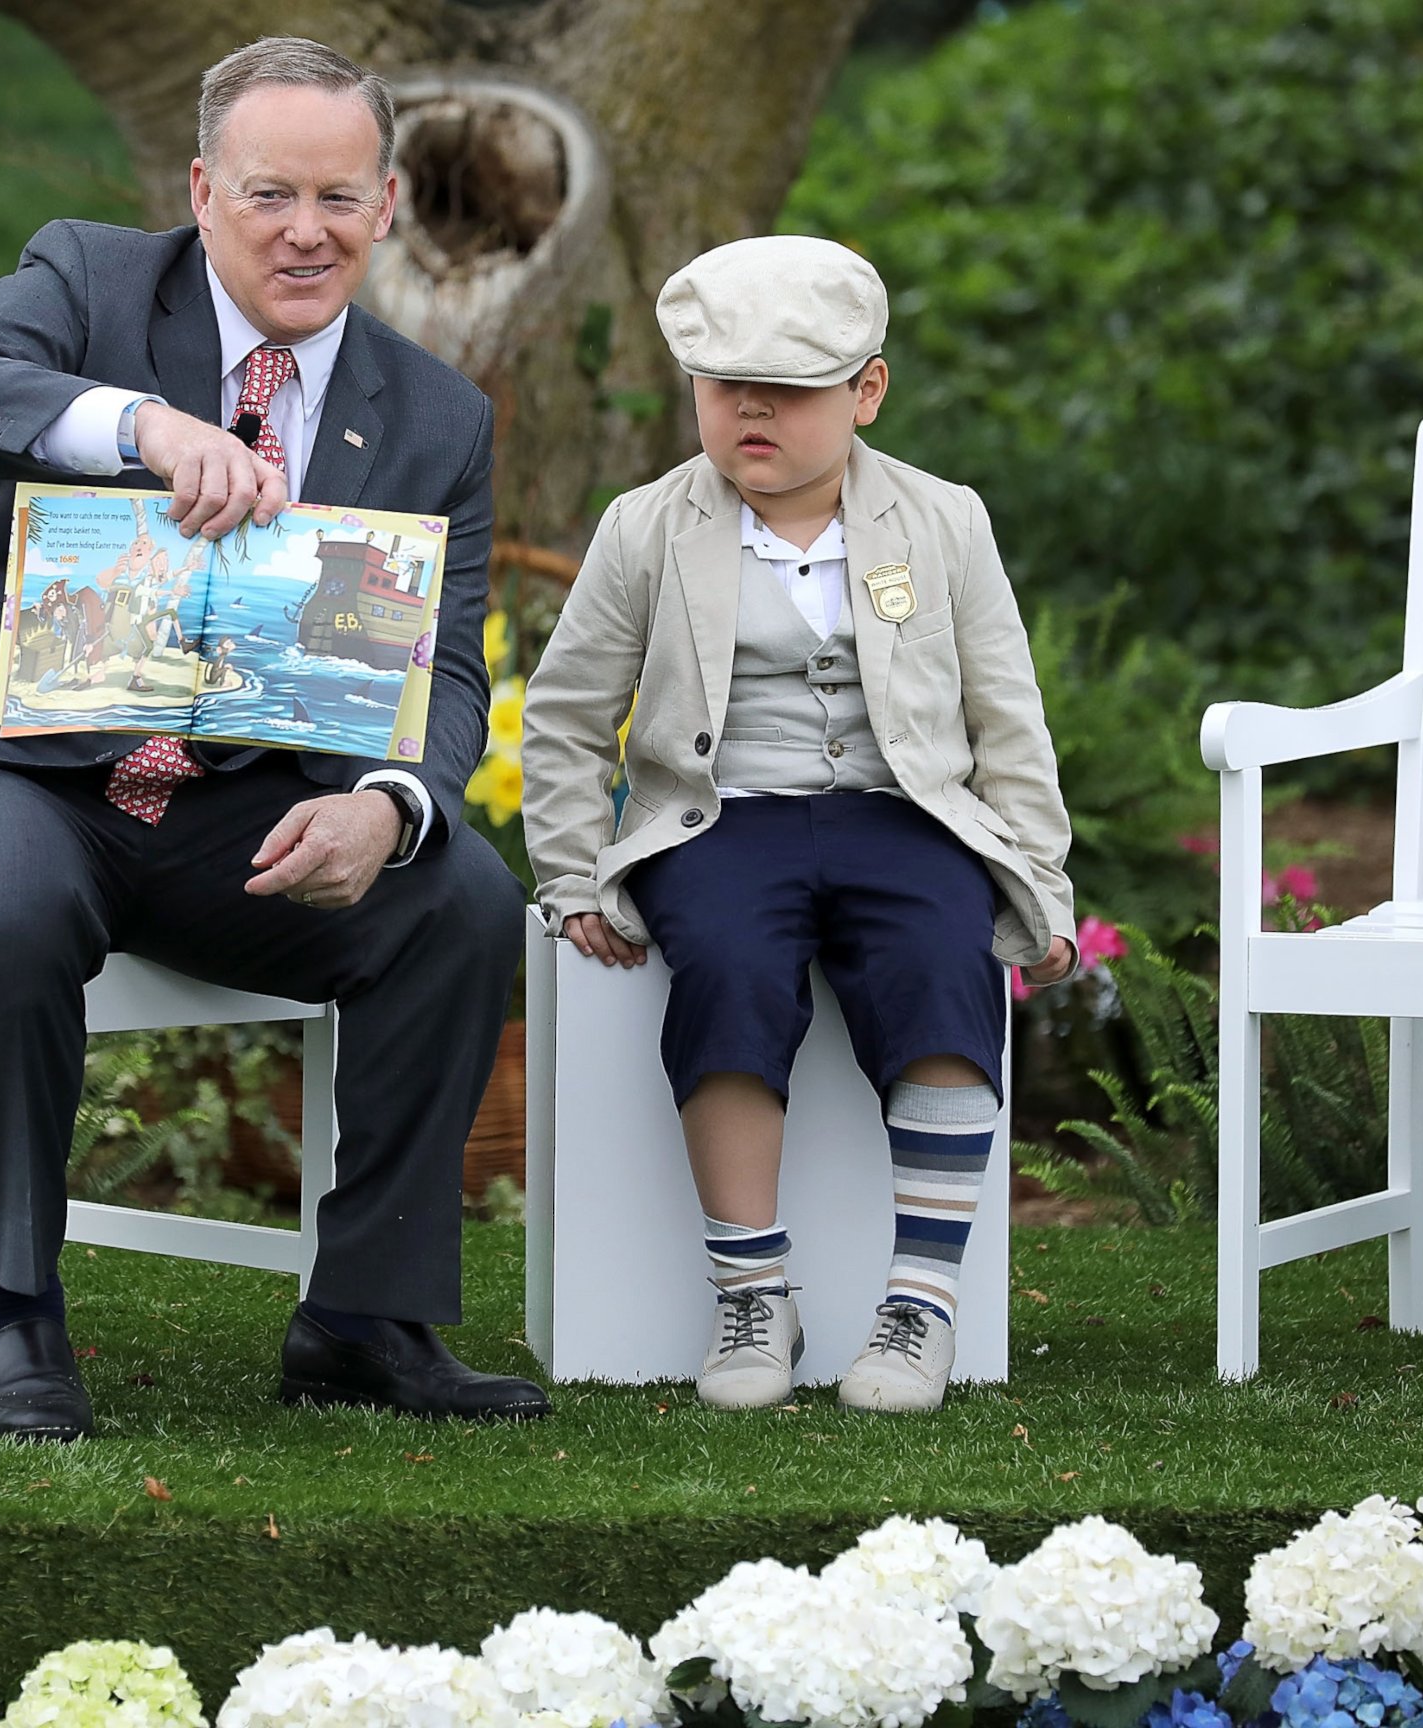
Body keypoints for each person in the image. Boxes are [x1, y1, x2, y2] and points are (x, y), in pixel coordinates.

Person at [0, 37, 546, 1441]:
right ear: (201, 190)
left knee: (462, 896)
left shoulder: (434, 416)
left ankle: (366, 1321)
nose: (305, 231)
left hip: (220, 810)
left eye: (339, 197)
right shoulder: (88, 282)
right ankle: (18, 1318)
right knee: (11, 904)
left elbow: (441, 663)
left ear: (385, 205)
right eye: (268, 194)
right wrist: (135, 425)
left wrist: (388, 804)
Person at [518, 236, 1080, 1415]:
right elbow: (569, 718)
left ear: (867, 390)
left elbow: (1006, 712)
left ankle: (921, 1302)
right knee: (724, 962)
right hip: (719, 816)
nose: (753, 411)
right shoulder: (647, 529)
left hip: (902, 811)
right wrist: (573, 876)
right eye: (726, 388)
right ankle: (751, 1287)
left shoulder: (942, 521)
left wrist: (1040, 879)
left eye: (792, 388)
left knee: (943, 958)